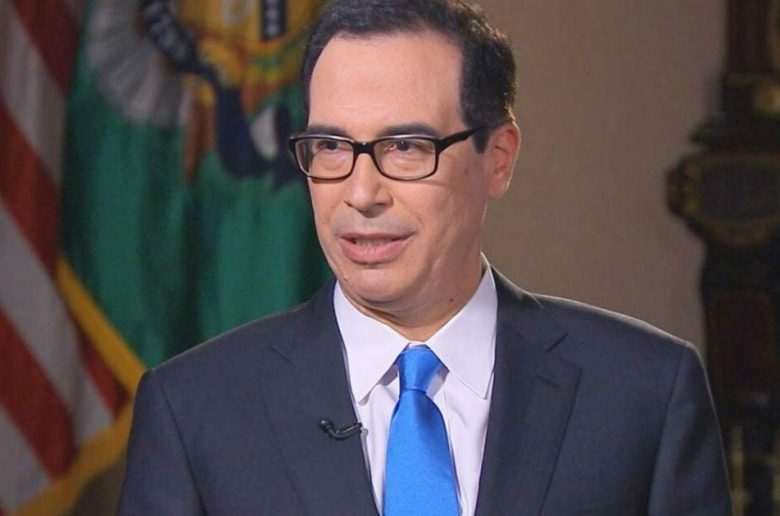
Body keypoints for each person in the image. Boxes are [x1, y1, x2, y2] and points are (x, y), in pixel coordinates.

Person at [118, 0, 733, 514]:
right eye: (331, 147)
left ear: (498, 158)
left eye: (406, 147)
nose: (361, 194)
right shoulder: (192, 410)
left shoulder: (645, 394)